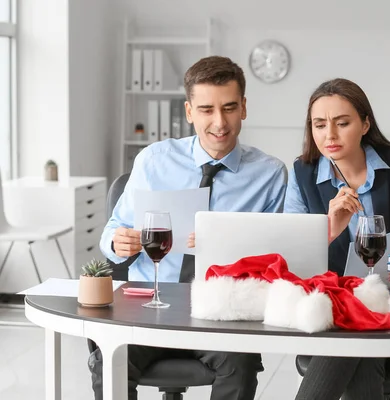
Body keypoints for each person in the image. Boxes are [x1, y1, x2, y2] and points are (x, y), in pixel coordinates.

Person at [90, 56, 288, 400]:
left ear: (243, 107)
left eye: (228, 107)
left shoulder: (270, 174)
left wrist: (227, 246)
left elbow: (277, 260)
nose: (219, 122)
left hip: (223, 312)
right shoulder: (153, 160)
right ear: (189, 111)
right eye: (206, 109)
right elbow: (113, 231)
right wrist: (117, 242)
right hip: (150, 304)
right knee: (110, 360)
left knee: (240, 369)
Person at [284, 78, 390, 400]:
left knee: (360, 328)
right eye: (319, 125)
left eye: (342, 123)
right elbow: (293, 260)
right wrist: (330, 228)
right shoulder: (302, 175)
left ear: (365, 124)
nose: (329, 135)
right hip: (334, 300)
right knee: (361, 339)